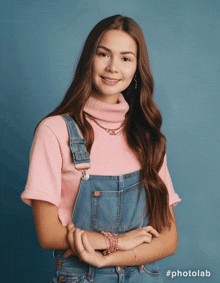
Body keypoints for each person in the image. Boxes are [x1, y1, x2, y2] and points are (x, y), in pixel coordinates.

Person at [21, 15, 181, 283]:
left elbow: (168, 239)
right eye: (103, 54)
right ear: (89, 60)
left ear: (137, 69)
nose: (113, 67)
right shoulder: (54, 131)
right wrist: (120, 240)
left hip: (143, 275)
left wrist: (108, 255)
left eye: (126, 58)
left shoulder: (148, 137)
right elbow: (48, 233)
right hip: (81, 276)